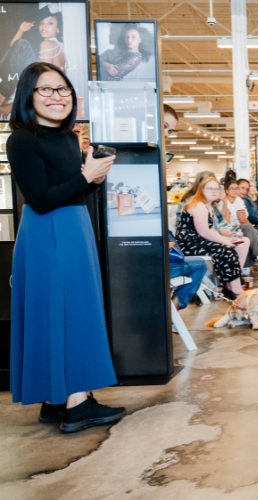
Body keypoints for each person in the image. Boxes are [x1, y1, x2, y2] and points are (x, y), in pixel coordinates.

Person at [8, 61, 125, 432]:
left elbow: (71, 191)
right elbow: (42, 199)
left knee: (64, 309)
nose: (56, 97)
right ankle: (77, 403)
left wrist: (93, 177)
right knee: (69, 310)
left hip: (73, 226)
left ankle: (55, 398)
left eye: (62, 89)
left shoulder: (67, 137)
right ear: (28, 94)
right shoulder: (22, 139)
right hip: (50, 230)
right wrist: (85, 176)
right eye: (45, 89)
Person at [162, 103, 207, 309]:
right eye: (164, 127)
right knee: (202, 264)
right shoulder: (195, 204)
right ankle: (176, 306)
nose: (167, 134)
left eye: (170, 130)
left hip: (173, 248)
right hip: (173, 254)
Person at [176, 176, 248, 300]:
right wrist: (226, 243)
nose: (214, 191)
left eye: (216, 189)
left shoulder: (209, 206)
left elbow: (211, 230)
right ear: (202, 190)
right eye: (210, 189)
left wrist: (226, 241)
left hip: (198, 241)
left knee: (229, 247)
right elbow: (204, 232)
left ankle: (230, 287)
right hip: (188, 244)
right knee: (226, 250)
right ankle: (235, 289)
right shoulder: (198, 205)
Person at [0, 8, 67, 117]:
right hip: (45, 97)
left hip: (40, 98)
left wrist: (14, 104)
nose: (44, 27)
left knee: (22, 45)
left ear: (58, 28)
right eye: (42, 23)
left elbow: (41, 81)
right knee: (20, 47)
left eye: (50, 23)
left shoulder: (47, 44)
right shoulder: (57, 45)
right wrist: (21, 31)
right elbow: (13, 53)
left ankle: (2, 93)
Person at [222, 180, 258, 270]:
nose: (235, 190)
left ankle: (248, 269)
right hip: (227, 229)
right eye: (232, 188)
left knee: (251, 232)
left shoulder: (238, 199)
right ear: (226, 190)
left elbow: (242, 218)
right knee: (249, 232)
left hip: (237, 227)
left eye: (236, 188)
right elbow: (226, 223)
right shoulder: (223, 201)